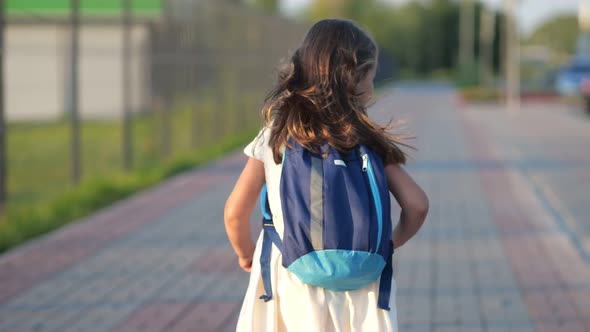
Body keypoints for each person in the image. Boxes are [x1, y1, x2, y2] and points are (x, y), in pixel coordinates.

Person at [224, 18, 429, 332]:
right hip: (362, 281)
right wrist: (390, 243)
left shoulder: (277, 134)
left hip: (290, 274)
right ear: (354, 79)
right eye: (370, 78)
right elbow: (417, 205)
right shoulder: (367, 140)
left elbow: (235, 212)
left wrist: (245, 254)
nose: (372, 88)